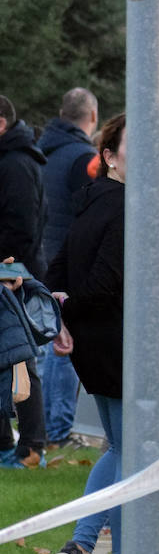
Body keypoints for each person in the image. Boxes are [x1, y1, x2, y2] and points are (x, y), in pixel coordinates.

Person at [47, 113, 159, 554]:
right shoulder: (127, 208)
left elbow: (58, 268)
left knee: (121, 450)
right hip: (126, 350)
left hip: (96, 348)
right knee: (131, 457)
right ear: (108, 156)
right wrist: (69, 308)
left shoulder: (91, 204)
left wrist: (62, 312)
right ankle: (84, 547)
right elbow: (105, 282)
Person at [37, 87, 98, 449]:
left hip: (38, 257)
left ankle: (42, 428)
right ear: (92, 117)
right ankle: (58, 430)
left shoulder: (41, 150)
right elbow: (87, 215)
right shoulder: (83, 158)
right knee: (61, 349)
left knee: (44, 347)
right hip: (66, 264)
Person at [0, 94, 48, 468]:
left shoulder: (15, 163)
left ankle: (31, 447)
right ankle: (10, 443)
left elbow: (21, 227)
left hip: (12, 275)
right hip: (12, 271)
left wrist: (8, 270)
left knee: (19, 359)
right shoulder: (14, 158)